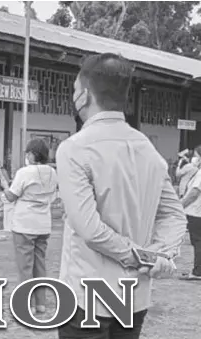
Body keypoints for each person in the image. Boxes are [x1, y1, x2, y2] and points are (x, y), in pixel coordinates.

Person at [55, 53, 187, 339]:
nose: (75, 97)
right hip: (134, 296)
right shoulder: (148, 149)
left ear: (85, 96)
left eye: (75, 90)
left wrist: (138, 256)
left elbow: (89, 230)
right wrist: (157, 255)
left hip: (86, 296)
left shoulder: (74, 149)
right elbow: (174, 215)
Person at [1, 138, 58, 314]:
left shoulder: (24, 172)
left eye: (27, 153)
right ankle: (41, 303)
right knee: (39, 264)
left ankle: (28, 304)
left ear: (33, 154)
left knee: (25, 266)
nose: (26, 156)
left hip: (24, 224)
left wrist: (4, 184)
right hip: (43, 224)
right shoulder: (53, 172)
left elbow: (11, 196)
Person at [180, 145, 201, 280]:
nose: (195, 158)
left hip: (196, 213)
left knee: (198, 242)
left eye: (196, 155)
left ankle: (198, 271)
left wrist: (179, 206)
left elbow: (194, 193)